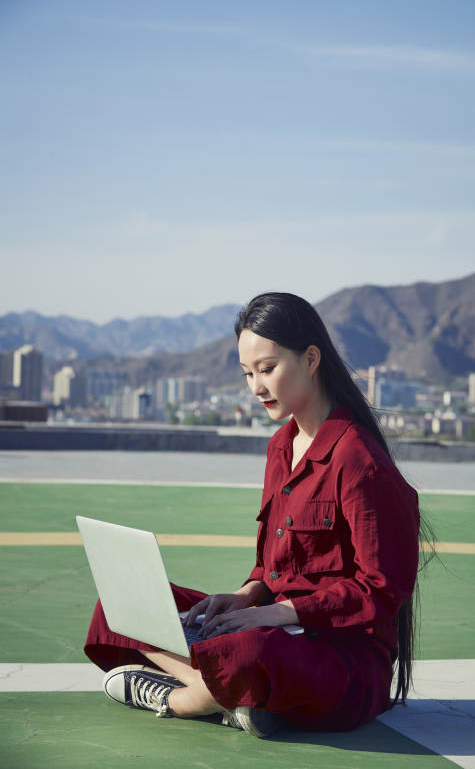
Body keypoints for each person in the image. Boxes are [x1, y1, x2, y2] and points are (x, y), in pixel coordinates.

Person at [84, 292, 421, 738]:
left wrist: (277, 615)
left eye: (267, 369)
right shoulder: (281, 446)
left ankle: (184, 697)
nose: (256, 387)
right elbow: (274, 565)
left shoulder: (360, 460)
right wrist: (247, 596)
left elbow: (381, 590)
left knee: (248, 653)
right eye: (247, 373)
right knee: (121, 606)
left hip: (343, 661)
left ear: (311, 359)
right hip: (271, 631)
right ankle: (236, 697)